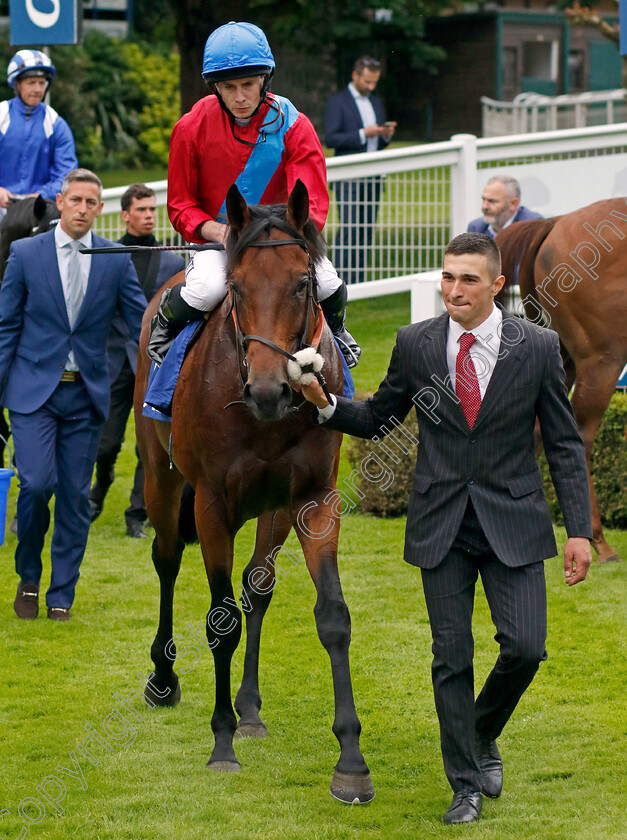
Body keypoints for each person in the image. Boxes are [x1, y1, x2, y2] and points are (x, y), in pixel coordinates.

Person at [295, 232, 592, 825]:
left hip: (514, 518)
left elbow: (563, 444)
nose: (454, 290)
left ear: (497, 286)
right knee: (450, 657)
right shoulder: (417, 343)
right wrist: (323, 402)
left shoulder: (538, 348)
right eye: (448, 277)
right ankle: (464, 786)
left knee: (526, 648)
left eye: (469, 280)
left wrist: (579, 530)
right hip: (442, 523)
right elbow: (379, 419)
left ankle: (480, 733)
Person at [149, 20, 361, 369]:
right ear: (215, 87)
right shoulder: (190, 128)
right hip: (219, 241)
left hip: (281, 240)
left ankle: (337, 334)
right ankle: (166, 323)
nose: (240, 97)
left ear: (265, 79)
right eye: (228, 87)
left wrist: (283, 235)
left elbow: (312, 201)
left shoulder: (294, 124)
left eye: (248, 84)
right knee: (205, 290)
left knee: (329, 285)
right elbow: (181, 205)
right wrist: (217, 231)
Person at [0, 169, 146, 621]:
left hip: (85, 397)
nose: (83, 209)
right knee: (37, 484)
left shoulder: (114, 259)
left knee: (73, 497)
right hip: (32, 396)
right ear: (60, 202)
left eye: (91, 202)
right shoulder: (24, 254)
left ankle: (62, 592)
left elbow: (143, 325)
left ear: (100, 209)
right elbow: (6, 327)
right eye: (76, 200)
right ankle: (28, 575)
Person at [89, 184, 184, 537]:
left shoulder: (174, 262)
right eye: (140, 210)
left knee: (153, 445)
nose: (148, 215)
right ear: (125, 214)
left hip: (156, 363)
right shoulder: (111, 257)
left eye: (152, 209)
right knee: (107, 441)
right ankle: (101, 482)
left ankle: (136, 514)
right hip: (114, 360)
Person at [324, 56, 396, 285]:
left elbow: (377, 143)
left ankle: (359, 280)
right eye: (367, 81)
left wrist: (385, 136)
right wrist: (365, 133)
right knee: (350, 227)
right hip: (349, 176)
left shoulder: (375, 102)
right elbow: (331, 138)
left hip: (374, 174)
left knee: (365, 229)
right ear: (355, 75)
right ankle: (340, 281)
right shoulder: (337, 102)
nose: (371, 87)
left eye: (374, 82)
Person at [0, 50, 78, 216]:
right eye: (31, 82)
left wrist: (41, 195)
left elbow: (66, 174)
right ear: (17, 84)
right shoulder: (1, 115)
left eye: (42, 83)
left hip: (39, 209)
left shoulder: (56, 123)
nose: (37, 89)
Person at [467, 175, 542, 238]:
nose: (484, 206)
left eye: (492, 201)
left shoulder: (532, 226)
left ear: (513, 204)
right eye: (484, 200)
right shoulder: (476, 229)